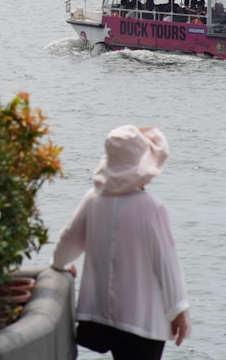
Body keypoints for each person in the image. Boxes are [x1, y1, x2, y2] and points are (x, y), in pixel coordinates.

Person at [51, 125, 190, 360]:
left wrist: (61, 264)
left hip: (101, 317)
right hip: (142, 320)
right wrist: (179, 310)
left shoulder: (92, 199)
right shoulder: (151, 209)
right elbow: (167, 264)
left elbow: (67, 241)